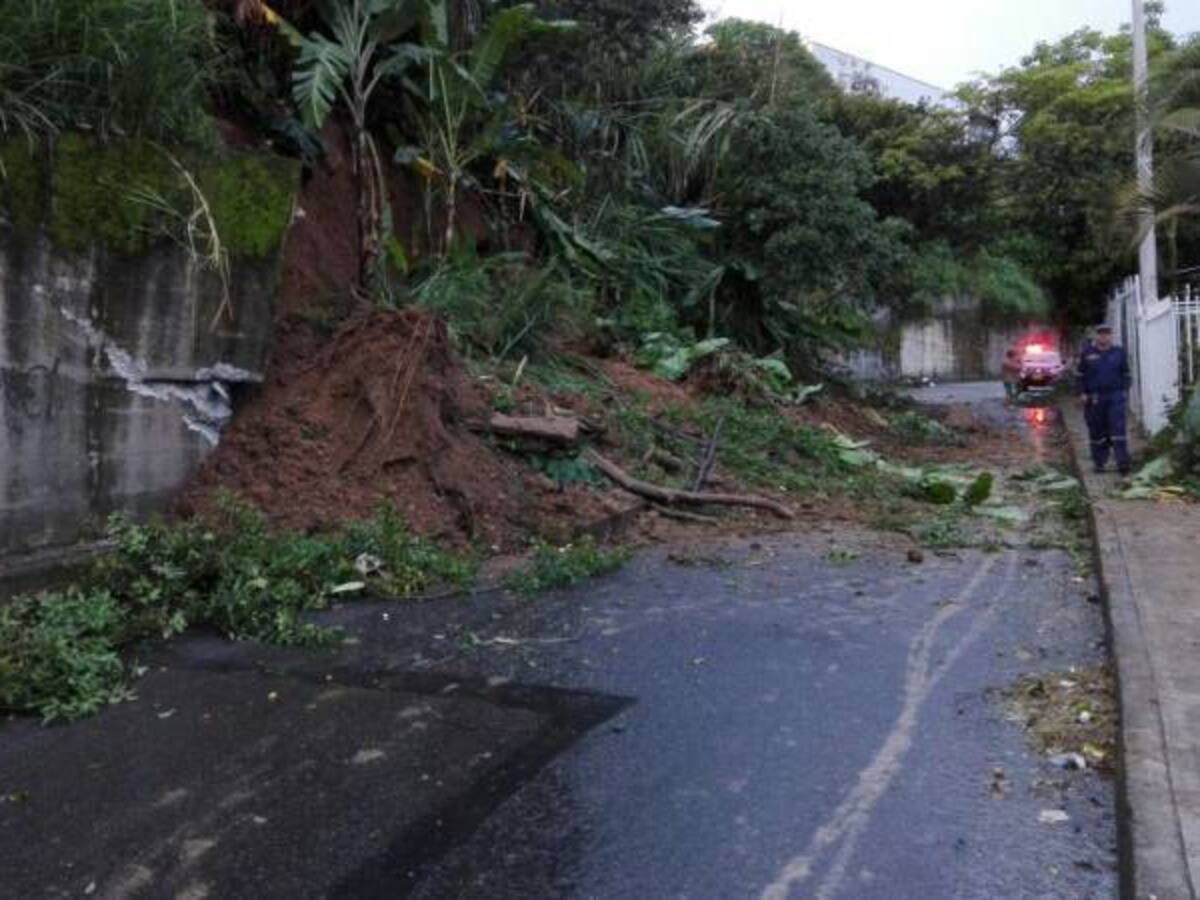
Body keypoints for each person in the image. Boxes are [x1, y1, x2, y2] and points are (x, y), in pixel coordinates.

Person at [1077, 324, 1132, 475]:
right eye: (1101, 334)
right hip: (1094, 398)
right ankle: (1099, 463)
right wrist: (1082, 393)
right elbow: (1080, 376)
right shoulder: (1087, 353)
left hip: (1115, 396)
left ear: (1111, 335)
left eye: (1107, 333)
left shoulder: (1119, 352)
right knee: (1097, 431)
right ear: (1096, 336)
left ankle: (1123, 463)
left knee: (1118, 429)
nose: (1104, 336)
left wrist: (1124, 391)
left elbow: (1126, 373)